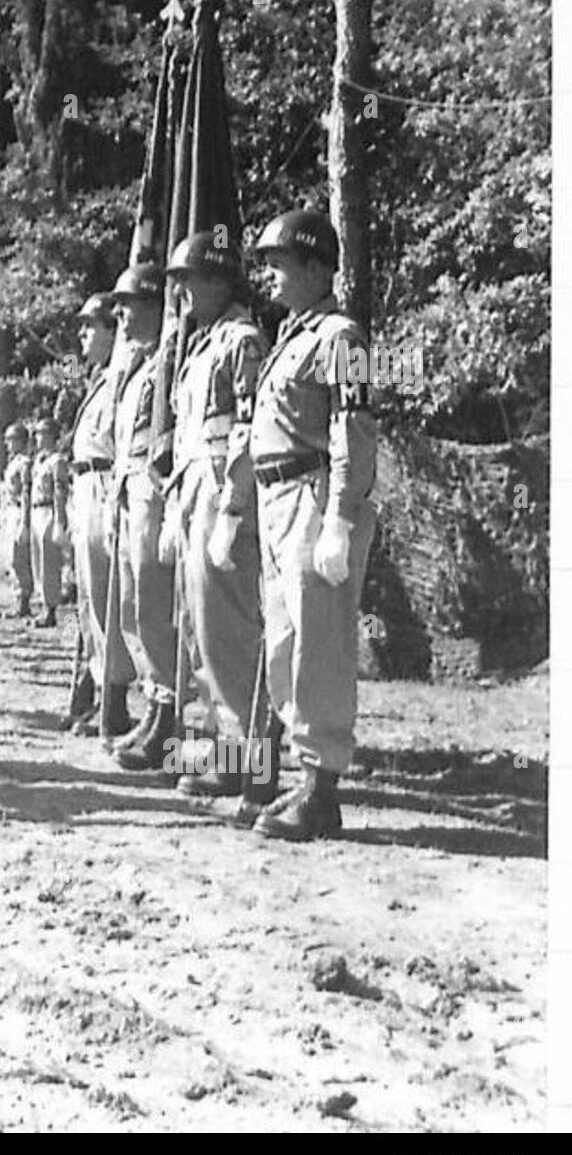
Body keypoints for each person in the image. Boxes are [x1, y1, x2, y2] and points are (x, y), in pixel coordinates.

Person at [223, 209, 377, 840]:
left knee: (321, 642)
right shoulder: (292, 334)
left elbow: (355, 429)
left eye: (281, 265)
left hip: (316, 495)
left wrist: (341, 516)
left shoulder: (344, 337)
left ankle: (322, 787)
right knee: (286, 641)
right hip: (278, 496)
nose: (271, 278)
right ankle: (304, 774)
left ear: (317, 267)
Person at [158, 231, 274, 807]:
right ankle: (223, 746)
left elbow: (248, 432)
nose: (179, 294)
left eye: (188, 282)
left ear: (218, 282)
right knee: (200, 627)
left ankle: (252, 755)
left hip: (224, 488)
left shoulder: (241, 341)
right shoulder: (202, 344)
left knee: (229, 626)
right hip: (193, 488)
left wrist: (233, 506)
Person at [107, 263, 179, 771]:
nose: (120, 315)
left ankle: (170, 716)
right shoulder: (133, 364)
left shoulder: (170, 360)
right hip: (129, 485)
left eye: (128, 304)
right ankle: (156, 705)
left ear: (155, 304)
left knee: (155, 601)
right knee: (134, 602)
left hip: (156, 489)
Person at [67, 294, 136, 737]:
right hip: (87, 486)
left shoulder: (125, 379)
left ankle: (117, 702)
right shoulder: (102, 381)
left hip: (109, 484)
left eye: (93, 326)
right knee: (92, 600)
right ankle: (101, 694)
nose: (83, 335)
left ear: (116, 331)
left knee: (115, 600)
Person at [28, 418, 69, 628]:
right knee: (38, 562)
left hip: (48, 511)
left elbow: (60, 491)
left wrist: (60, 521)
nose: (37, 438)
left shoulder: (57, 461)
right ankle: (44, 604)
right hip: (36, 510)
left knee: (50, 564)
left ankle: (53, 609)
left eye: (42, 434)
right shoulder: (39, 461)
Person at [0, 422, 34, 620]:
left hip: (20, 511)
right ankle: (18, 599)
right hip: (10, 511)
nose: (7, 444)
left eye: (11, 439)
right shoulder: (12, 462)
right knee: (12, 558)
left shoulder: (24, 463)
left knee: (19, 558)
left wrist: (25, 522)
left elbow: (27, 493)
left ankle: (24, 601)